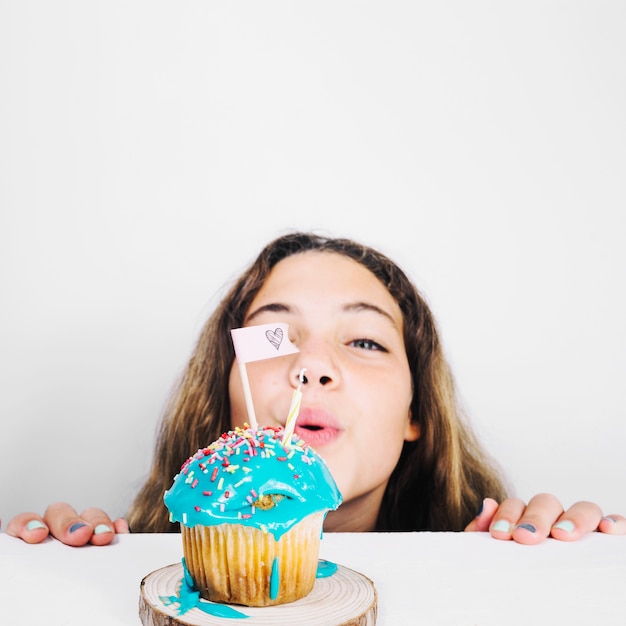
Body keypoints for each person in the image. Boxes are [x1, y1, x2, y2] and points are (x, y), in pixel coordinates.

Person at [5, 231, 625, 546]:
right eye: (274, 338)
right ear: (224, 400)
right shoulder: (126, 575)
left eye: (364, 342)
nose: (311, 368)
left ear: (418, 414)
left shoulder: (494, 568)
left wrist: (559, 584)